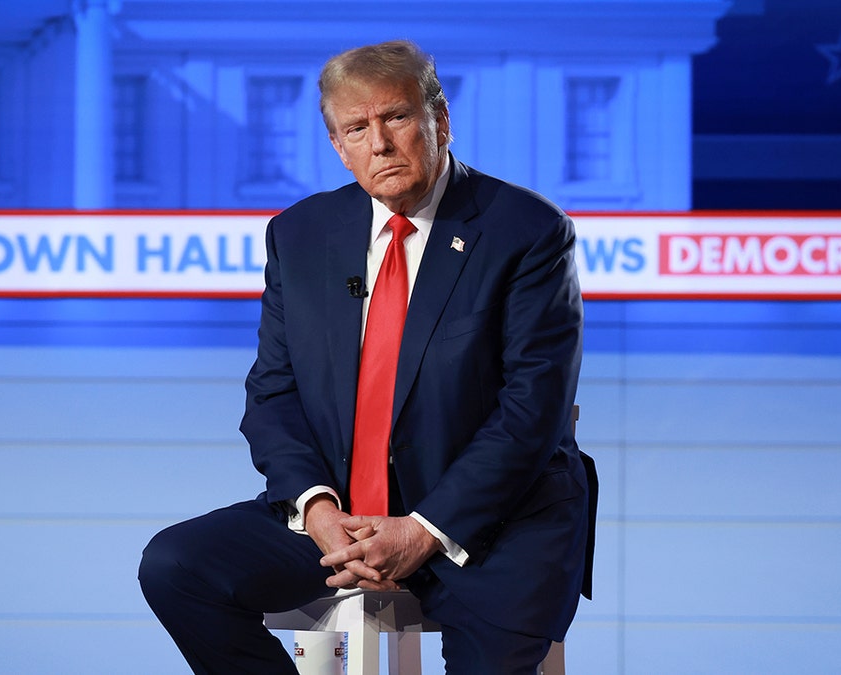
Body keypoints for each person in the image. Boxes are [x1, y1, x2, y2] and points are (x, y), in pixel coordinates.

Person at [139, 39, 594, 674]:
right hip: (344, 518)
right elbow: (273, 393)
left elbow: (531, 411)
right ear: (338, 146)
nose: (378, 143)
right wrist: (319, 511)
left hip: (492, 526)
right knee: (177, 566)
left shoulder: (526, 230)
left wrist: (422, 530)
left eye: (396, 118)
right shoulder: (299, 236)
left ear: (440, 120)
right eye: (356, 128)